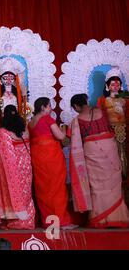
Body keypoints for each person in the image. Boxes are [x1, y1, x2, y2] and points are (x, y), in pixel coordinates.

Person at [69, 93, 129, 228]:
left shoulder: (77, 120)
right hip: (109, 147)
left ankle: (101, 219)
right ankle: (119, 217)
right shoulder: (101, 111)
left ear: (76, 106)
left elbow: (72, 140)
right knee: (113, 183)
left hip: (92, 150)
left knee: (97, 185)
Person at [28, 97, 76, 229]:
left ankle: (48, 221)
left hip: (37, 156)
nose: (51, 109)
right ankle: (61, 221)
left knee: (43, 189)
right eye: (49, 106)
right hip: (50, 155)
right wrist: (65, 129)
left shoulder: (31, 122)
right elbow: (60, 137)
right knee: (56, 187)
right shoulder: (47, 119)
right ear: (43, 107)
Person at [0, 105, 35, 229]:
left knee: (14, 191)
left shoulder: (2, 132)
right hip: (26, 165)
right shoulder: (25, 129)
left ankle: (15, 221)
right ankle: (28, 220)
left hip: (14, 167)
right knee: (26, 193)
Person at [97, 68, 128, 179]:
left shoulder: (125, 99)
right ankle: (115, 176)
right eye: (113, 84)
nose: (116, 87)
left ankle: (125, 175)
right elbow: (100, 117)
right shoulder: (102, 100)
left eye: (118, 84)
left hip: (125, 130)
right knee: (113, 153)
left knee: (125, 152)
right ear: (108, 86)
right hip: (110, 130)